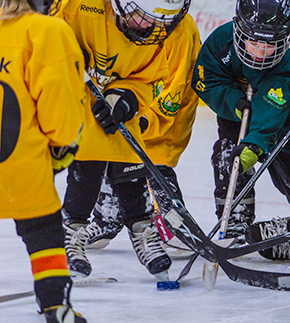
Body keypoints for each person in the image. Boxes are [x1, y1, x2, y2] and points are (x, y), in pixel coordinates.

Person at [55, 0, 193, 280]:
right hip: (69, 90)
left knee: (128, 151)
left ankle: (142, 229)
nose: (147, 27)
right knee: (90, 151)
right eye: (140, 16)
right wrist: (63, 49)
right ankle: (73, 231)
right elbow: (40, 30)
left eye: (154, 21)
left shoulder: (158, 29)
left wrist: (126, 97)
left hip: (111, 93)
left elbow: (149, 77)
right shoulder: (78, 6)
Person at [191, 0, 290, 241]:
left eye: (270, 45)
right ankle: (234, 219)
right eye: (254, 42)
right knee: (227, 155)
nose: (261, 53)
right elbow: (205, 79)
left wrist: (255, 144)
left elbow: (271, 112)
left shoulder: (284, 65)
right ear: (240, 30)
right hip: (235, 116)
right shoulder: (220, 43)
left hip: (279, 123)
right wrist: (233, 101)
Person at [81, 11, 201, 258]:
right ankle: (107, 219)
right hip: (133, 103)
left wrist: (148, 119)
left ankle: (175, 227)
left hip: (165, 117)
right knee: (113, 157)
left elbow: (175, 86)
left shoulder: (179, 29)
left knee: (155, 167)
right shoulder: (132, 16)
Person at [0, 0, 88, 321]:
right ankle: (54, 303)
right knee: (43, 230)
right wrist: (63, 146)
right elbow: (60, 111)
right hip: (20, 165)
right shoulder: (45, 31)